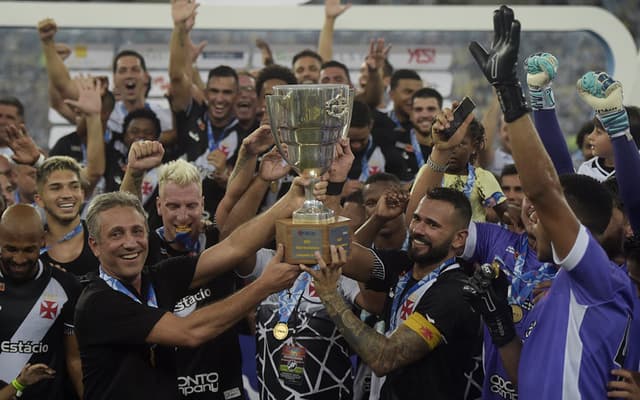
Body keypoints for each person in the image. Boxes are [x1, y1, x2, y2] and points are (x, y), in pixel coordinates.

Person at [464, 6, 636, 398]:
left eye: (542, 215)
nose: (530, 215)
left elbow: (546, 189)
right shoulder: (556, 290)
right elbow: (527, 377)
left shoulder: (599, 279)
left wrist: (510, 91)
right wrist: (502, 329)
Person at [74, 174, 316, 399]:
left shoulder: (158, 277)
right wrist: (263, 286)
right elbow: (189, 332)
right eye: (116, 234)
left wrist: (289, 201)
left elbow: (234, 247)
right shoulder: (98, 302)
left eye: (137, 231)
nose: (130, 243)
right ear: (95, 246)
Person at [304, 187, 481, 400]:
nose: (419, 230)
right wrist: (376, 218)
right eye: (417, 219)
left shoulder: (455, 292)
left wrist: (331, 297)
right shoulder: (403, 266)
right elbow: (346, 255)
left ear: (459, 239)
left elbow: (384, 359)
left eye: (432, 224)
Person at [0, 205, 82, 399]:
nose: (19, 259)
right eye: (11, 249)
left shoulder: (66, 286)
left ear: (43, 240)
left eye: (29, 250)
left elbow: (75, 359)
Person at [37, 156, 100, 276]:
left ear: (82, 194)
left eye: (74, 186)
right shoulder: (30, 246)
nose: (67, 194)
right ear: (39, 199)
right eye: (56, 188)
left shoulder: (100, 237)